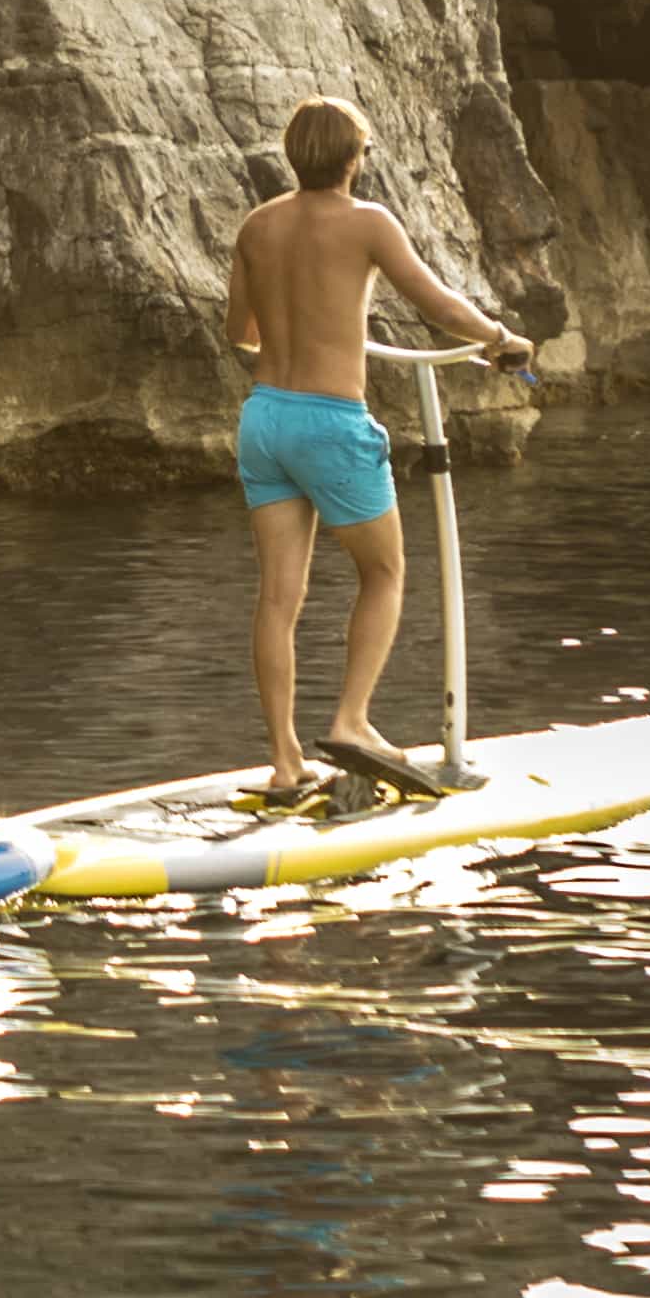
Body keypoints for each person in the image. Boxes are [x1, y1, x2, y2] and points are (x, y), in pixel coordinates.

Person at [225, 95, 531, 797]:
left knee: (278, 598)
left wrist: (302, 331)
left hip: (265, 418)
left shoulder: (257, 225)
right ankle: (353, 721)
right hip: (331, 422)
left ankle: (284, 764)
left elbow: (239, 333)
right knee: (386, 573)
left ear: (293, 154)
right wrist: (499, 339)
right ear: (354, 160)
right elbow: (438, 305)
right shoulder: (368, 221)